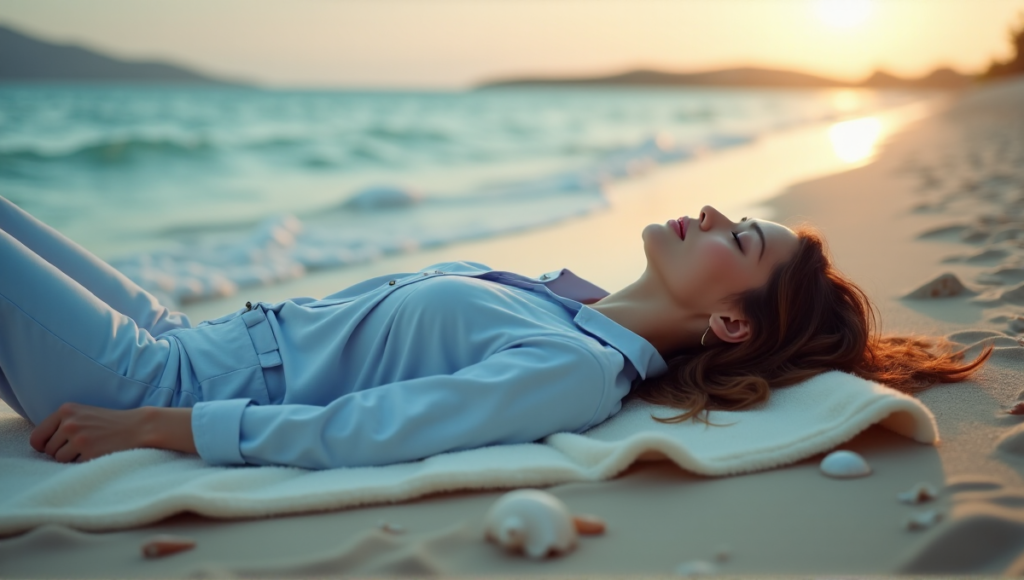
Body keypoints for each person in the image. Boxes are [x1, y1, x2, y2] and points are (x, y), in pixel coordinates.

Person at [0, 195, 989, 469]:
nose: (708, 212)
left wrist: (156, 428)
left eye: (739, 236)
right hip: (186, 332)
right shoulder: (563, 302)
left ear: (730, 320)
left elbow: (370, 428)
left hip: (145, 381)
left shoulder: (571, 368)